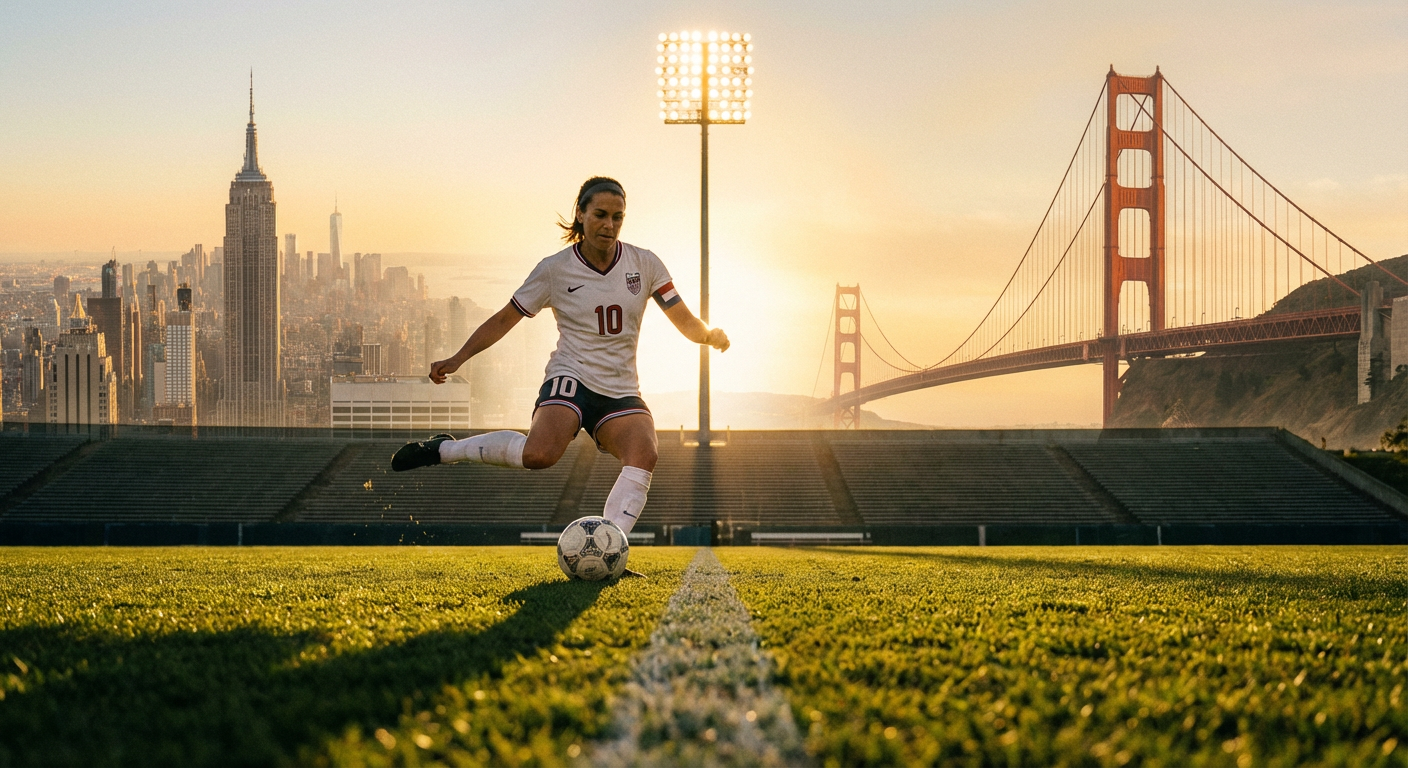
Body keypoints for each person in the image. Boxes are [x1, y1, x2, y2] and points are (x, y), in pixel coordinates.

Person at [391, 176, 729, 543]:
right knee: (539, 455)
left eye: (618, 217)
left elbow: (686, 321)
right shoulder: (554, 269)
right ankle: (446, 449)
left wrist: (708, 336)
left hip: (620, 389)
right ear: (580, 215)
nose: (609, 224)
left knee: (644, 454)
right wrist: (458, 358)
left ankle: (608, 549)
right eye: (600, 214)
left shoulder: (645, 264)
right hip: (571, 377)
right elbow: (506, 318)